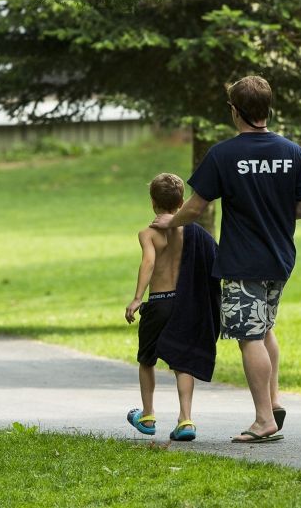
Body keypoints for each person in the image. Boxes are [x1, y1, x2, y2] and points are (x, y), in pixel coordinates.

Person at [152, 76, 301, 443]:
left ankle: (264, 421)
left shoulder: (224, 155)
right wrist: (273, 206)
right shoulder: (292, 152)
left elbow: (195, 208)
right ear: (268, 109)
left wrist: (170, 221)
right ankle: (273, 401)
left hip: (244, 261)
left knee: (249, 337)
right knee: (264, 328)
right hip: (280, 258)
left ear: (235, 111)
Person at [125, 173, 221, 442]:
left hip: (158, 303)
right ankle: (185, 419)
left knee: (146, 360)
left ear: (153, 202)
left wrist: (136, 298)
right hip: (185, 302)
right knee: (183, 362)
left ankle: (147, 415)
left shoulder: (148, 234)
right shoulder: (194, 233)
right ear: (181, 203)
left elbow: (148, 263)